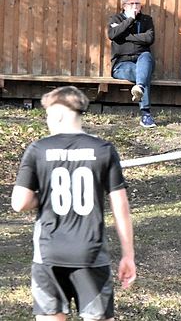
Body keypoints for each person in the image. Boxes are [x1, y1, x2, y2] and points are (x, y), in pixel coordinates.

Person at [12, 86, 136, 320]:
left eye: (48, 115)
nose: (47, 121)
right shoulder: (103, 150)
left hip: (48, 253)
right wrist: (128, 255)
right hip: (91, 254)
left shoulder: (38, 149)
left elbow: (19, 202)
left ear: (58, 113)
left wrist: (45, 195)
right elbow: (120, 207)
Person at [107, 0, 157, 128]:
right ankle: (146, 114)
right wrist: (129, 20)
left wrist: (125, 36)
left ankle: (139, 87)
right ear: (124, 6)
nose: (135, 6)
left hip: (143, 59)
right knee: (143, 74)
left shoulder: (146, 20)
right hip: (121, 64)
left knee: (146, 56)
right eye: (131, 3)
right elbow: (112, 34)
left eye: (137, 3)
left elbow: (149, 39)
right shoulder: (116, 19)